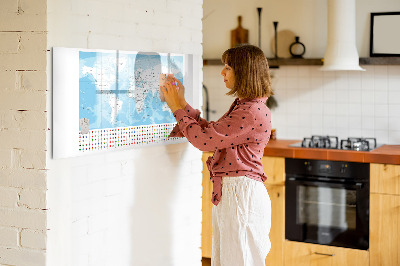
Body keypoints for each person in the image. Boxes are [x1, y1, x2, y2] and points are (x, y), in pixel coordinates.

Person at [161, 44, 273, 266]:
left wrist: (176, 108)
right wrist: (182, 103)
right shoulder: (246, 106)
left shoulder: (250, 111)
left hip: (241, 195)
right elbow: (212, 133)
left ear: (244, 72)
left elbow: (204, 141)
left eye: (228, 67)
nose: (222, 72)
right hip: (236, 193)